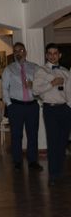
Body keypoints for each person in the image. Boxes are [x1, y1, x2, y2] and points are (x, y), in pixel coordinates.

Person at [32, 43, 71, 186]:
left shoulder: (66, 71)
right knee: (53, 142)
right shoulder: (40, 71)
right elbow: (35, 90)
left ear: (59, 55)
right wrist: (52, 83)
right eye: (50, 53)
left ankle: (59, 172)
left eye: (56, 53)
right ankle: (53, 175)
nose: (53, 55)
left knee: (62, 142)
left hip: (65, 109)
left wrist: (69, 106)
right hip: (51, 109)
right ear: (47, 55)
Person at [1, 42, 43, 171]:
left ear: (25, 51)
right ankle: (17, 161)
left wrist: (34, 86)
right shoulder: (9, 69)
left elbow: (41, 86)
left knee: (32, 134)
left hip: (32, 106)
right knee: (16, 135)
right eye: (16, 51)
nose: (19, 53)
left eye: (21, 50)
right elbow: (4, 89)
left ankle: (32, 161)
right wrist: (10, 105)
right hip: (16, 106)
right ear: (14, 54)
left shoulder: (35, 68)